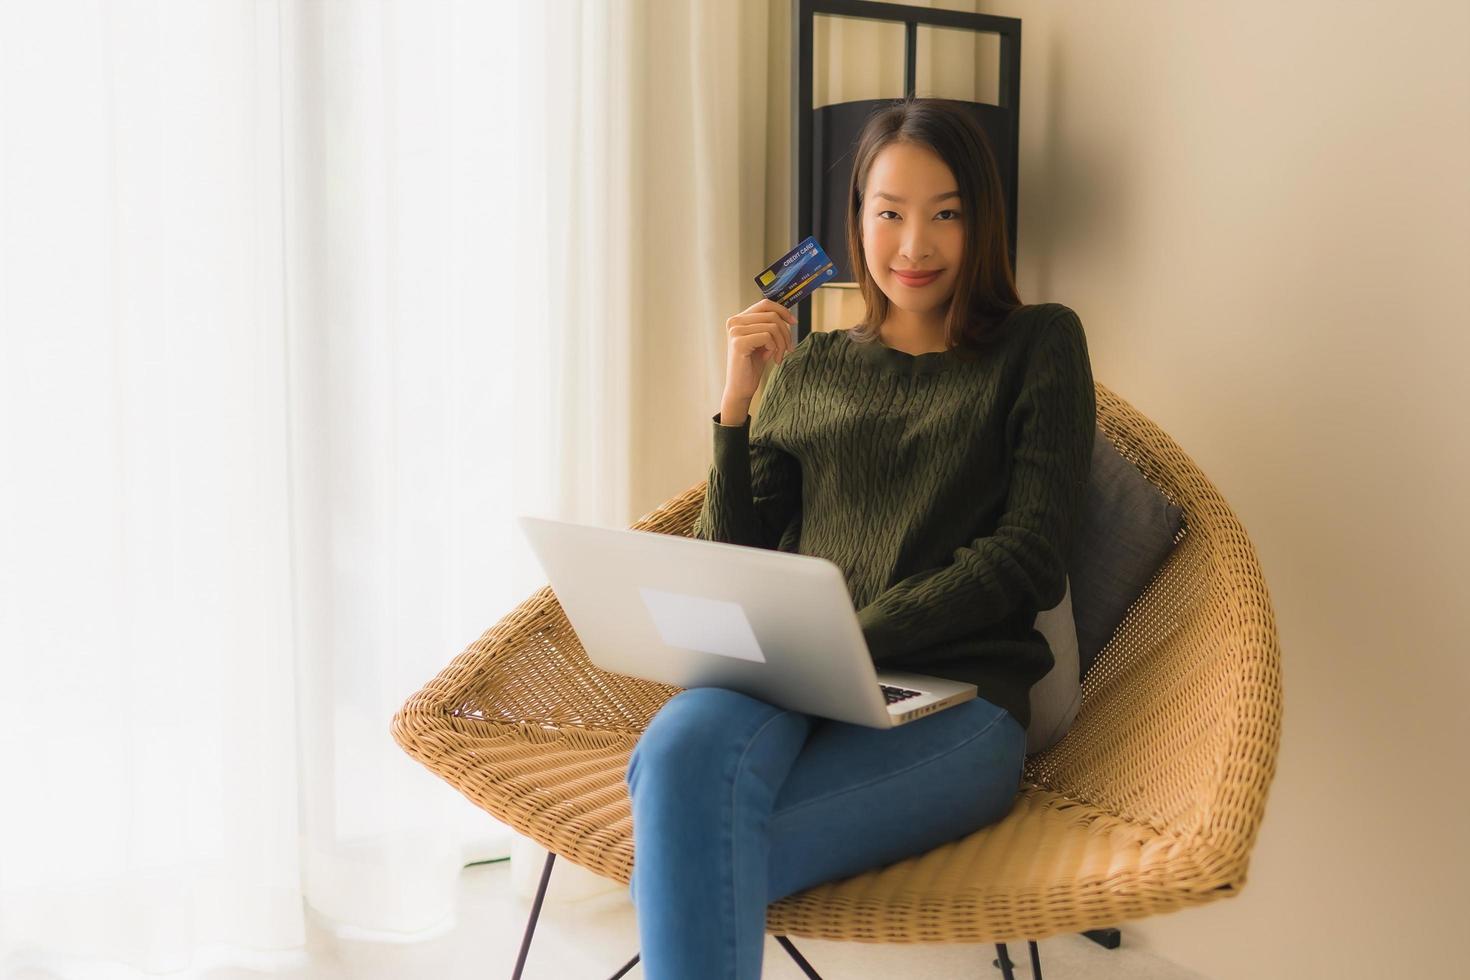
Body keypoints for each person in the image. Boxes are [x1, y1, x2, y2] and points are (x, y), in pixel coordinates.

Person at [624, 97, 1097, 980]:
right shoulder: (808, 368)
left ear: (981, 220)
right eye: (889, 214)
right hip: (790, 680)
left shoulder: (1041, 344)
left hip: (958, 700)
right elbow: (732, 565)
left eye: (945, 214)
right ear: (857, 222)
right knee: (680, 754)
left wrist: (845, 640)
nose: (913, 246)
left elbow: (1028, 553)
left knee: (691, 845)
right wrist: (735, 410)